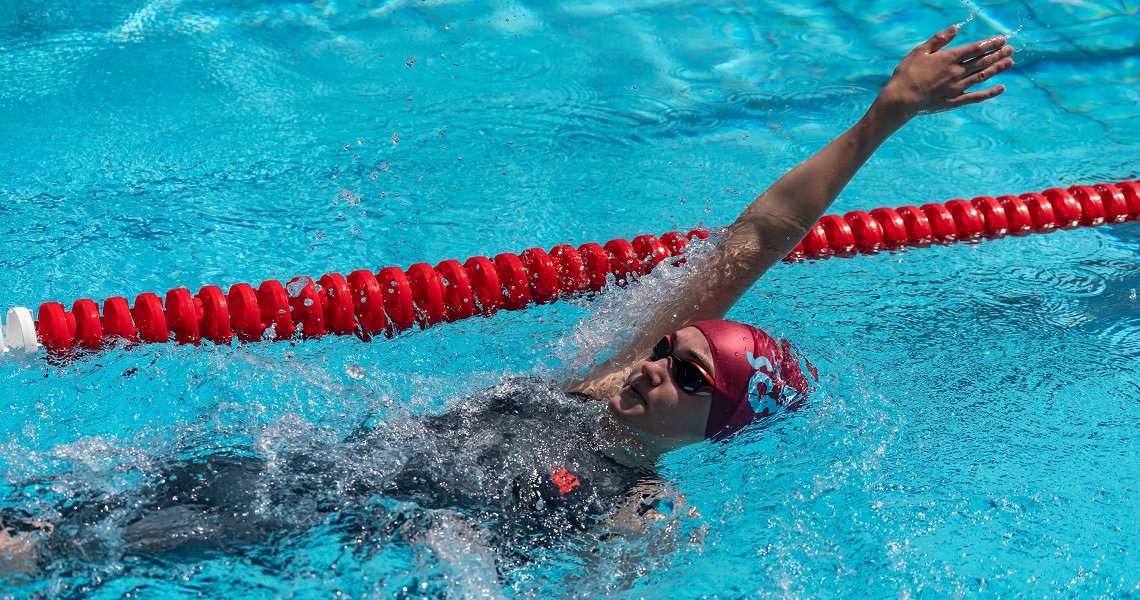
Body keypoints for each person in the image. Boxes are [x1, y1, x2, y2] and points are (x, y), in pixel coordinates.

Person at [1, 25, 1014, 581]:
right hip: (301, 465)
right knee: (60, 504)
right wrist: (884, 116)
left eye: (688, 374)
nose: (656, 365)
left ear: (720, 423)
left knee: (49, 552)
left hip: (315, 534)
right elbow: (759, 235)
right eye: (669, 348)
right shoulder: (599, 385)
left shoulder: (645, 514)